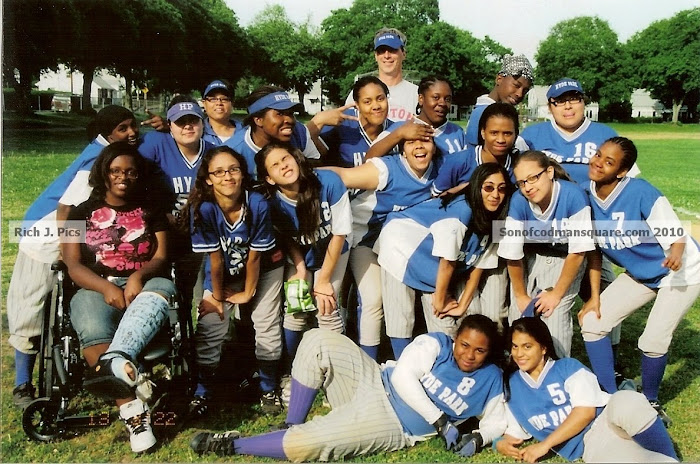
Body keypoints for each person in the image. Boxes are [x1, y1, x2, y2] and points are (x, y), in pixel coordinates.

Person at [190, 315, 506, 461]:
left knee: (309, 445)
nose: (468, 354)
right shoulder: (437, 343)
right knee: (316, 339)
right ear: (456, 339)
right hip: (373, 379)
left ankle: (232, 445)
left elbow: (498, 419)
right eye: (464, 345)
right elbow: (402, 377)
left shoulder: (491, 377)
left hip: (391, 424)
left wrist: (479, 437)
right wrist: (440, 421)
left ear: (489, 351)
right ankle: (291, 423)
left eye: (479, 350)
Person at [8, 105, 141, 409]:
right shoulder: (96, 159)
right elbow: (66, 210)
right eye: (123, 128)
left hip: (67, 229)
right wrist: (72, 254)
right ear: (108, 133)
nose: (132, 133)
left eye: (133, 126)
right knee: (30, 309)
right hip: (43, 234)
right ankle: (22, 384)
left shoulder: (111, 151)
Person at [62, 142, 175, 453]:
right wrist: (106, 287)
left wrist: (138, 277)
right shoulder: (78, 213)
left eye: (130, 172)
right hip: (94, 285)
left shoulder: (152, 209)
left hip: (148, 282)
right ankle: (133, 413)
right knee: (92, 324)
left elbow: (162, 256)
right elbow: (72, 264)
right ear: (104, 174)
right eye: (115, 171)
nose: (122, 177)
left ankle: (114, 361)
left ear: (139, 176)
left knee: (161, 290)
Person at [579, 136, 700, 426]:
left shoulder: (641, 192)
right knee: (593, 322)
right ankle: (610, 396)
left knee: (653, 339)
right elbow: (593, 253)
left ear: (622, 172)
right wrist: (595, 297)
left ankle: (651, 402)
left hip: (680, 270)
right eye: (598, 154)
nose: (598, 162)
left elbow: (677, 236)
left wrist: (676, 252)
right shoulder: (586, 196)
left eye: (609, 161)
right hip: (642, 273)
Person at [181, 146, 281, 415]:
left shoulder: (256, 202)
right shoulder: (203, 208)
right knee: (212, 323)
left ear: (242, 173)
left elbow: (255, 257)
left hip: (264, 270)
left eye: (234, 169)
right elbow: (214, 260)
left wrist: (248, 293)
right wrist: (218, 296)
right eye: (219, 172)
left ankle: (269, 387)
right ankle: (203, 391)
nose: (228, 176)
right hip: (223, 273)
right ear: (208, 178)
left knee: (266, 324)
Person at [496, 317, 678, 463]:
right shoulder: (513, 386)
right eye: (515, 346)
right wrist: (500, 443)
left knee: (628, 400)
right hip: (592, 443)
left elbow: (585, 412)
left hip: (607, 419)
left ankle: (671, 455)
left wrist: (545, 445)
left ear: (543, 348)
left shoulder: (567, 367)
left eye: (527, 346)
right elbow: (513, 430)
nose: (519, 354)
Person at [375, 164, 511, 358]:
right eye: (488, 187)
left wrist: (463, 304)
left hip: (437, 260)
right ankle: (401, 365)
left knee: (450, 323)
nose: (495, 194)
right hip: (402, 245)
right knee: (402, 315)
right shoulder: (461, 211)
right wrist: (439, 301)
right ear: (476, 187)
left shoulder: (499, 218)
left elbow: (480, 263)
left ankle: (459, 368)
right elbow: (447, 262)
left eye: (501, 188)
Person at [322, 137, 440, 358]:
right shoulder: (388, 168)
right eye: (412, 142)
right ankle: (323, 358)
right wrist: (298, 173)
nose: (419, 146)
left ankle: (370, 364)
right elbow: (340, 175)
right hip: (351, 235)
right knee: (331, 297)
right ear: (402, 150)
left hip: (384, 242)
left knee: (374, 299)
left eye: (426, 141)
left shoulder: (440, 171)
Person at [255, 143, 353, 362]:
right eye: (275, 165)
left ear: (296, 158)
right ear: (269, 178)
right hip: (300, 254)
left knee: (327, 306)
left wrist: (324, 280)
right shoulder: (271, 203)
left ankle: (339, 373)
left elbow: (340, 233)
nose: (283, 166)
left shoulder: (328, 181)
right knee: (295, 308)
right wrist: (300, 269)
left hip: (334, 249)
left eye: (285, 158)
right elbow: (287, 240)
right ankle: (293, 371)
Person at [497, 150, 595, 358]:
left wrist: (556, 294)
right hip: (533, 256)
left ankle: (559, 371)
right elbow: (512, 254)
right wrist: (521, 296)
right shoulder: (519, 201)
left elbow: (578, 252)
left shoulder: (573, 196)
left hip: (566, 259)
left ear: (549, 172)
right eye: (522, 182)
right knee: (519, 315)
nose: (528, 187)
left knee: (553, 313)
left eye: (533, 178)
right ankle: (519, 375)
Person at [138, 96, 214, 327]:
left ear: (203, 124)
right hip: (162, 232)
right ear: (169, 126)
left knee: (189, 292)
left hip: (200, 234)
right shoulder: (154, 144)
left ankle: (189, 338)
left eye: (193, 120)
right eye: (181, 122)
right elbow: (137, 182)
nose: (188, 126)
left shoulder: (213, 152)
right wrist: (161, 213)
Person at [225, 85, 321, 178]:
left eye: (290, 113)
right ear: (258, 119)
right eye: (280, 114)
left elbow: (317, 165)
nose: (290, 120)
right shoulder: (231, 152)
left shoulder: (299, 132)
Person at [365, 75, 466, 159]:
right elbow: (369, 157)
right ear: (421, 99)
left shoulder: (457, 132)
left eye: (447, 99)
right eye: (436, 97)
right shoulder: (401, 128)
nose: (442, 103)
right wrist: (399, 135)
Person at [307, 75, 391, 168]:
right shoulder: (343, 123)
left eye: (380, 99)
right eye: (367, 102)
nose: (376, 106)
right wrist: (318, 120)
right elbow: (306, 145)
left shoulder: (395, 130)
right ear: (357, 105)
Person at [345, 27, 418, 121]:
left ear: (403, 54)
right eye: (381, 51)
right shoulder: (360, 92)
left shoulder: (417, 94)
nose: (387, 56)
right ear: (375, 56)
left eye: (392, 50)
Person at [464, 54, 533, 147]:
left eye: (525, 90)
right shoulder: (484, 113)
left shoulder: (482, 109)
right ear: (499, 79)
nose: (520, 94)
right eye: (516, 85)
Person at [201, 79, 241, 146]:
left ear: (232, 103)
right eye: (213, 99)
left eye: (224, 99)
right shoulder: (197, 132)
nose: (219, 103)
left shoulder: (246, 132)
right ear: (204, 103)